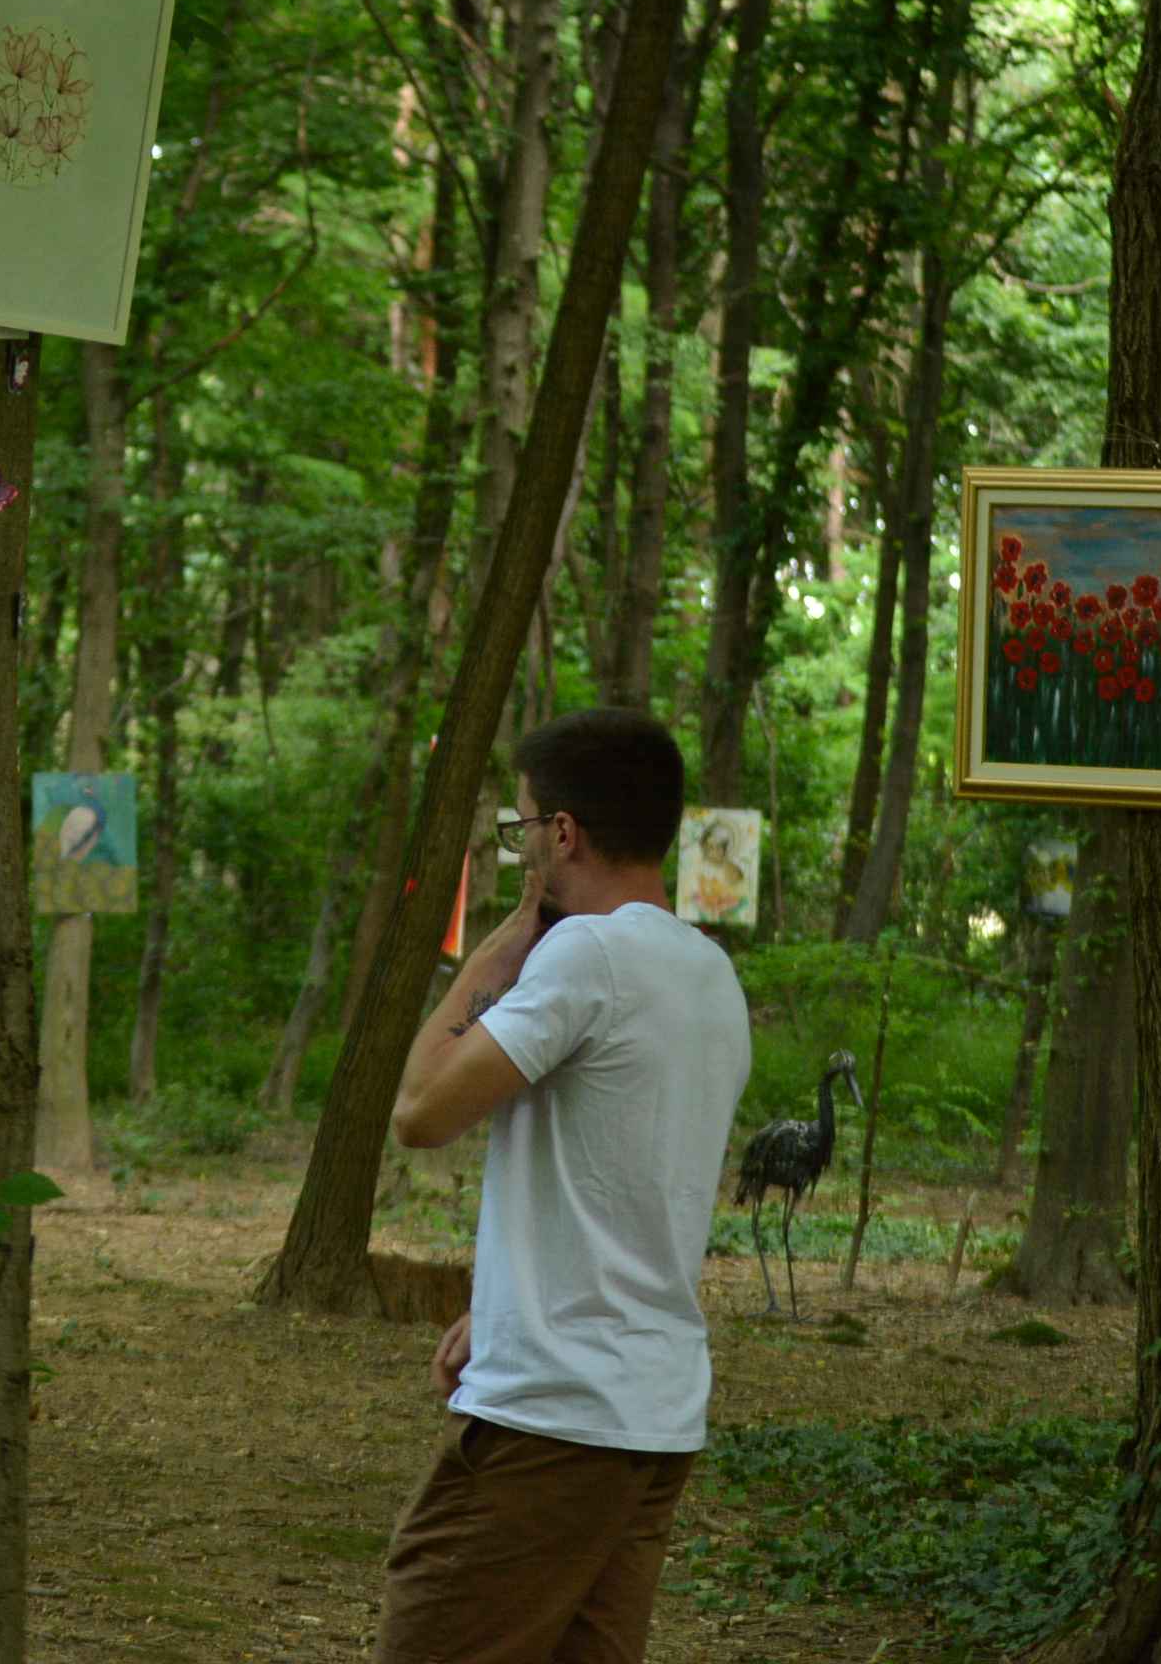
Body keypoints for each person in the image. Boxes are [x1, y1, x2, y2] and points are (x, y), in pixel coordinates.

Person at [374, 708, 753, 1664]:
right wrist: (503, 1306)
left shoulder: (586, 954)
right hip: (651, 1417)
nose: (524, 851)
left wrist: (503, 940)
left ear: (565, 833)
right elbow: (622, 1179)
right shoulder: (708, 973)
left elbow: (420, 1109)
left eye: (523, 829)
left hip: (555, 1417)